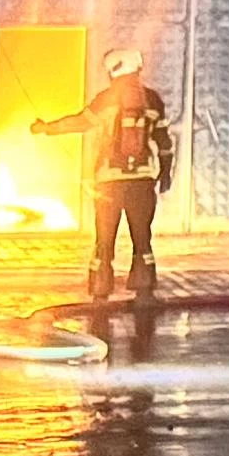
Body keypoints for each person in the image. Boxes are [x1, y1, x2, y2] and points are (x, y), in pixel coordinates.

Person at [43, 46, 177, 309]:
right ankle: (144, 293)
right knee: (142, 238)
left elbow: (80, 122)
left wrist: (47, 128)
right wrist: (166, 172)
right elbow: (164, 141)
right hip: (142, 181)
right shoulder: (152, 100)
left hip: (108, 182)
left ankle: (100, 293)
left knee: (104, 239)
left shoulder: (106, 99)